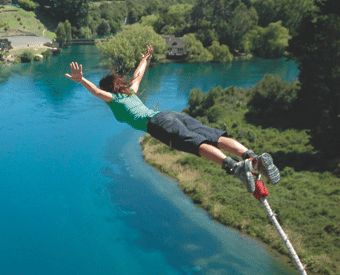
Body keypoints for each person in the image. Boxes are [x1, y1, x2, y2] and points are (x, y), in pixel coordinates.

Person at [64, 45, 280, 196]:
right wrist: (145, 59)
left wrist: (81, 79)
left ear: (108, 90)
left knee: (194, 143)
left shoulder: (114, 99)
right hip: (170, 114)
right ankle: (251, 156)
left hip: (158, 124)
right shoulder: (130, 92)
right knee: (211, 135)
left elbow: (96, 93)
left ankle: (235, 168)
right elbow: (138, 75)